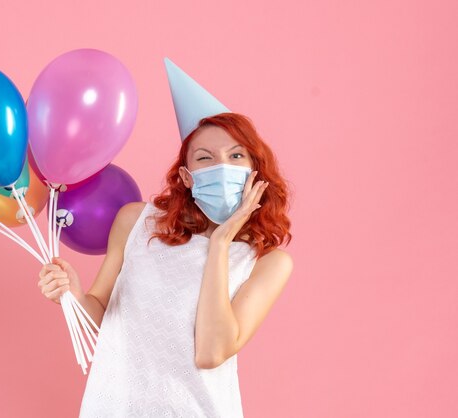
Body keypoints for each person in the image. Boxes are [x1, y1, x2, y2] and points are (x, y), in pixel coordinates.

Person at [38, 58, 294, 417]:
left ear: (255, 171)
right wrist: (71, 294)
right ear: (187, 177)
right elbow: (100, 313)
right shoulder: (136, 222)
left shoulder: (266, 262)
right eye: (205, 158)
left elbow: (211, 352)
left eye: (236, 156)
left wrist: (220, 244)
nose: (222, 167)